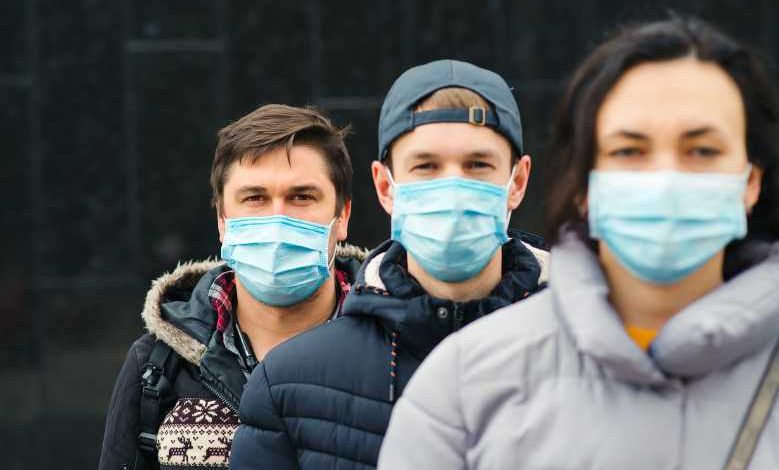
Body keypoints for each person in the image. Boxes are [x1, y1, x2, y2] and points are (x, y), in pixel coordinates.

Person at [378, 16, 779, 470]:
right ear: (584, 185)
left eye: (702, 150)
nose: (664, 178)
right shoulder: (464, 385)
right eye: (629, 151)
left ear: (751, 180)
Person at [229, 59, 550, 469]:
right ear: (385, 186)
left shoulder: (591, 359)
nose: (450, 187)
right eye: (426, 166)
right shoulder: (290, 381)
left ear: (517, 182)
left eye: (477, 166)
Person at [98, 104, 365, 470]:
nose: (277, 219)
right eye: (254, 198)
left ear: (342, 217)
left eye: (302, 196)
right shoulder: (157, 368)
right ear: (223, 221)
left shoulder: (397, 355)